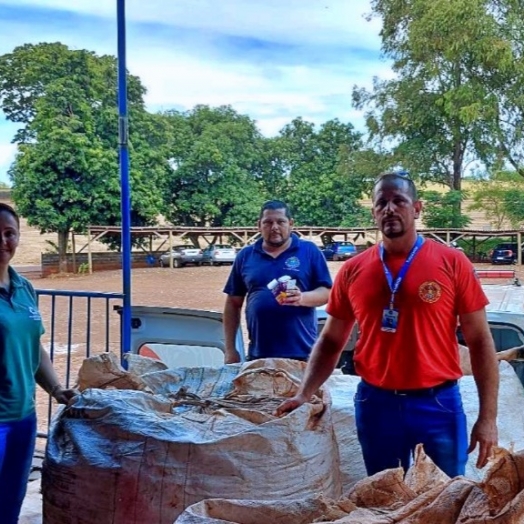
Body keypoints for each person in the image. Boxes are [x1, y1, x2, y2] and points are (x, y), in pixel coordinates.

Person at [277, 173, 499, 478]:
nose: (389, 209)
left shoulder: (452, 263)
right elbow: (331, 340)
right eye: (381, 202)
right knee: (383, 499)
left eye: (399, 201)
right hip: (376, 404)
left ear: (417, 208)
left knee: (445, 499)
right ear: (373, 212)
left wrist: (488, 418)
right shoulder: (353, 270)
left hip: (438, 405)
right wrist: (304, 393)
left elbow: (480, 342)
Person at [0, 203, 78, 523]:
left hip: (23, 418)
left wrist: (57, 388)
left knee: (10, 500)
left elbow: (34, 346)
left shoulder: (24, 287)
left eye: (10, 233)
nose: (4, 241)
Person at [223, 200, 332, 363]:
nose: (274, 227)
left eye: (280, 221)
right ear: (259, 225)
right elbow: (233, 303)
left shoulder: (309, 251)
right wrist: (230, 350)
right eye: (268, 222)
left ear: (291, 224)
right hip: (259, 354)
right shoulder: (245, 256)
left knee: (304, 390)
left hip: (304, 354)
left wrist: (301, 298)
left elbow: (327, 293)